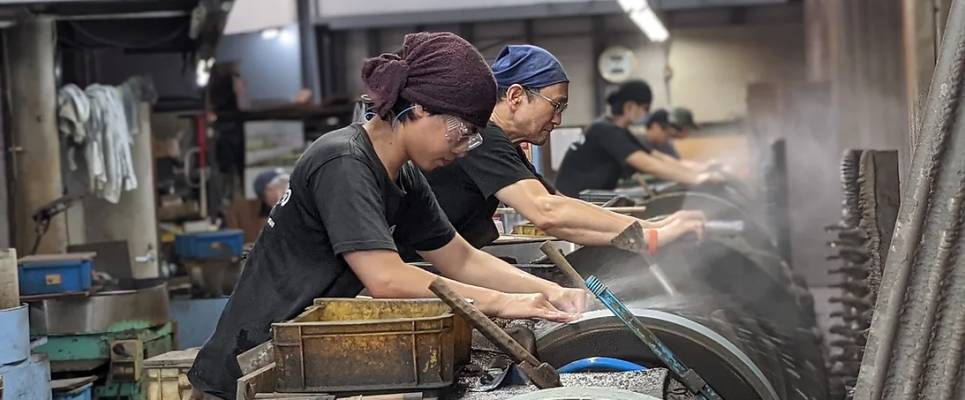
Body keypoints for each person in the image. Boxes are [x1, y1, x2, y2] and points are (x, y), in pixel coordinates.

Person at [187, 33, 585, 400]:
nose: (466, 147)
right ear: (419, 108)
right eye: (462, 130)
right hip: (246, 374)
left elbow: (460, 258)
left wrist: (546, 292)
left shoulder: (404, 174)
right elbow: (386, 278)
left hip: (304, 363)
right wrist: (504, 303)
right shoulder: (343, 161)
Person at [419, 45, 705, 253]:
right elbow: (548, 213)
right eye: (556, 105)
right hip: (421, 267)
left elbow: (557, 202)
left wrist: (652, 226)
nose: (558, 119)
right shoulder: (479, 136)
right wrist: (650, 236)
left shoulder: (503, 143)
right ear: (516, 96)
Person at [555, 80, 724, 197]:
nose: (646, 114)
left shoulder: (620, 131)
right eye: (644, 108)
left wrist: (700, 171)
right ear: (630, 106)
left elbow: (657, 158)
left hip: (587, 199)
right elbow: (648, 165)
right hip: (571, 200)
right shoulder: (604, 130)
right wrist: (697, 180)